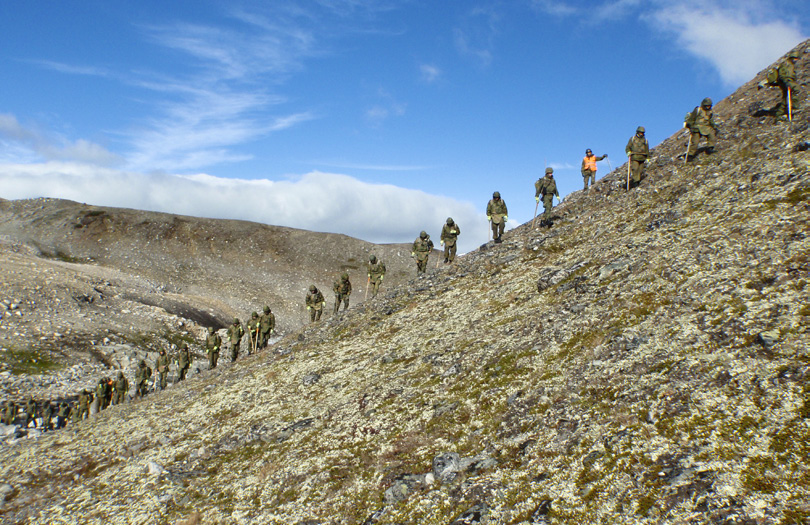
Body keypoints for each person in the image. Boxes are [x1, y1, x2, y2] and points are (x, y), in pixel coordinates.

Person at [759, 49, 800, 119]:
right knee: (796, 88)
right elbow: (782, 74)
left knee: (785, 98)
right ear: (793, 57)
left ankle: (779, 114)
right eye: (795, 58)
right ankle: (794, 105)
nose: (796, 60)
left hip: (788, 81)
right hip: (786, 81)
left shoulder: (791, 65)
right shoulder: (786, 64)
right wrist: (786, 82)